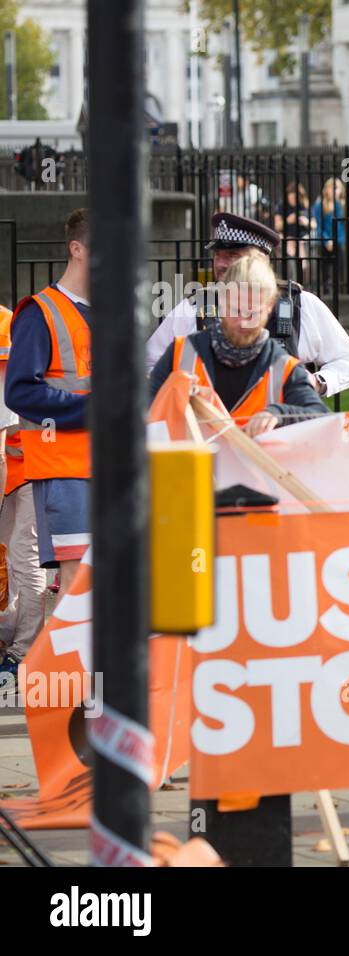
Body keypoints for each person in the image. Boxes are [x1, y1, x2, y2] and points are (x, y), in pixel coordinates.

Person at [147, 213, 349, 399]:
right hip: (210, 439)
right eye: (218, 255)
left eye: (233, 255)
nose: (221, 264)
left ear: (260, 261)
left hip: (282, 437)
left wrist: (318, 382)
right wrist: (180, 387)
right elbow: (148, 366)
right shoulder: (193, 308)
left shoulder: (301, 305)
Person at [4, 209, 93, 596]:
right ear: (78, 249)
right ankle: (63, 659)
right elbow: (21, 392)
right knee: (76, 582)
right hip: (65, 467)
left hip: (106, 463)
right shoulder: (40, 312)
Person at [148, 252, 329, 433]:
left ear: (269, 307)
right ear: (222, 301)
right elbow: (142, 409)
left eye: (253, 313)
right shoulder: (181, 352)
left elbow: (321, 417)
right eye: (236, 310)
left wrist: (280, 413)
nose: (243, 321)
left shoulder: (284, 366)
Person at [0, 303, 44, 690]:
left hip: (28, 463)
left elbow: (8, 415)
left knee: (23, 554)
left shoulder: (6, 325)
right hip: (18, 465)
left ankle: (25, 650)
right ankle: (14, 639)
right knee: (13, 554)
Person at [312, 178, 349, 293]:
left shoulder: (342, 205)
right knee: (325, 269)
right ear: (326, 189)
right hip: (325, 240)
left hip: (339, 241)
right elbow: (318, 225)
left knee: (340, 268)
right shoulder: (319, 205)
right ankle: (326, 291)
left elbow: (345, 225)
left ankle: (340, 290)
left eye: (337, 188)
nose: (334, 191)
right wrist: (327, 240)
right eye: (331, 188)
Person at [275, 182, 317, 283]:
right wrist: (288, 220)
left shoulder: (304, 206)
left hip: (304, 241)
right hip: (288, 241)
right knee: (291, 268)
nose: (293, 200)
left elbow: (314, 225)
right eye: (291, 197)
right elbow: (277, 225)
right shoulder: (282, 207)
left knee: (305, 268)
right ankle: (292, 288)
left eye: (295, 198)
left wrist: (306, 222)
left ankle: (305, 288)